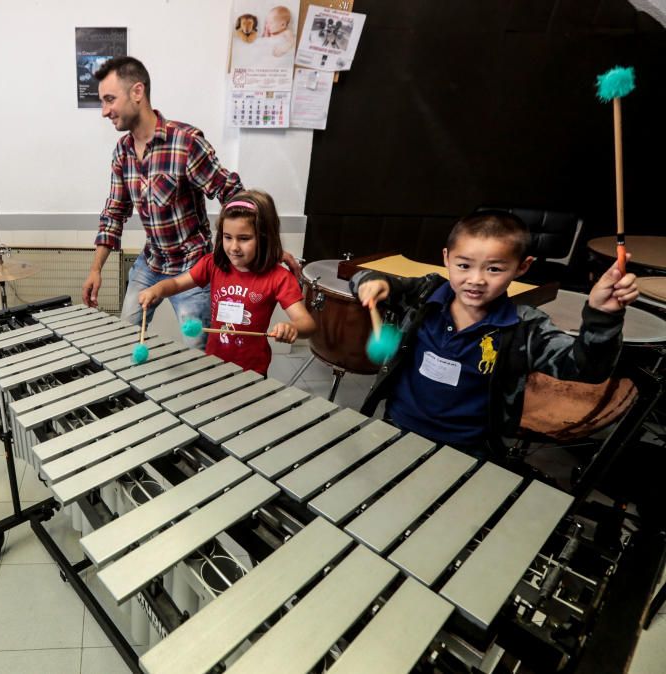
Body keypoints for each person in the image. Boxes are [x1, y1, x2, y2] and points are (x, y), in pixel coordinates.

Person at [351, 210, 639, 458]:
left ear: (522, 267)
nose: (476, 279)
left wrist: (602, 315)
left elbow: (587, 370)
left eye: (494, 269)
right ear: (447, 258)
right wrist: (371, 281)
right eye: (464, 265)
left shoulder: (525, 328)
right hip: (397, 424)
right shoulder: (423, 296)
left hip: (468, 447)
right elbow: (364, 279)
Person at [83, 56, 300, 347]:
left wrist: (268, 243)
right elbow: (114, 213)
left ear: (137, 92)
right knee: (125, 338)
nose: (104, 111)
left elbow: (232, 193)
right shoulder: (122, 152)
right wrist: (96, 269)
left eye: (109, 99)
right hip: (151, 263)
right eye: (102, 102)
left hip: (192, 268)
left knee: (196, 351)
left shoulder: (185, 143)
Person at [137, 190, 315, 375]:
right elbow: (176, 284)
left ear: (264, 237)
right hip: (214, 362)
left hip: (252, 369)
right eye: (227, 237)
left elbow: (307, 324)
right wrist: (157, 289)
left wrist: (292, 328)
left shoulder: (279, 277)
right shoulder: (213, 264)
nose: (234, 247)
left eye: (244, 239)